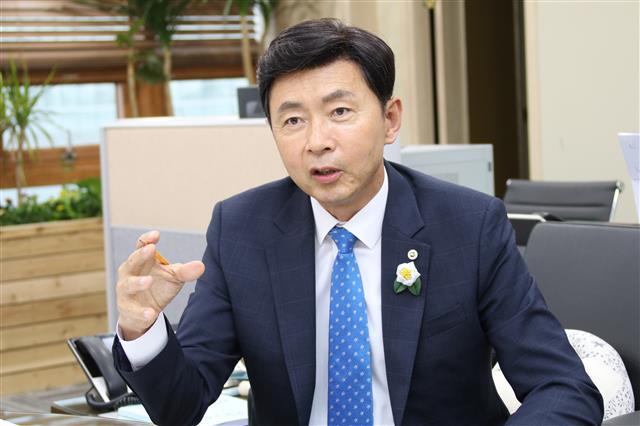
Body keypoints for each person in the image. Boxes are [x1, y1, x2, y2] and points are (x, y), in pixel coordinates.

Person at [113, 18, 603, 426]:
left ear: (390, 119)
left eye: (340, 111)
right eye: (293, 120)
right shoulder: (242, 229)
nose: (317, 141)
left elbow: (563, 387)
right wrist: (143, 329)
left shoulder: (469, 226)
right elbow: (181, 407)